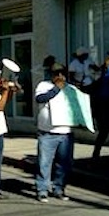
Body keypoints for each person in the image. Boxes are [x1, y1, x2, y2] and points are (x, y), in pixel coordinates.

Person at [34, 63, 74, 203]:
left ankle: (59, 189)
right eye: (57, 73)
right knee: (44, 163)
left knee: (63, 163)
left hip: (65, 132)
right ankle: (42, 189)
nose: (60, 76)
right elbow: (40, 99)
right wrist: (56, 88)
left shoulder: (70, 88)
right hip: (47, 132)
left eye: (62, 73)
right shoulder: (43, 86)